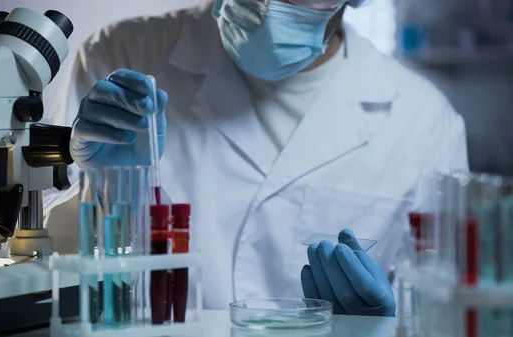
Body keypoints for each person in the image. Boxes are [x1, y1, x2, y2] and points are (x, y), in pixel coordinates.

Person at [44, 0, 469, 316]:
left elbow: (444, 311)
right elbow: (48, 272)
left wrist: (377, 329)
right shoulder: (121, 56)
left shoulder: (426, 123)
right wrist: (109, 193)